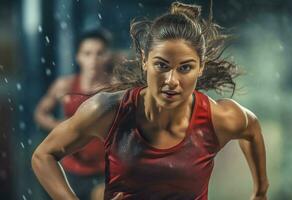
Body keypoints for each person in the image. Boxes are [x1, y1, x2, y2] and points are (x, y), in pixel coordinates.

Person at [32, 2, 269, 200]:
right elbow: (43, 156)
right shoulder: (109, 110)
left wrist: (260, 191)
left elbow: (252, 129)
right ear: (145, 61)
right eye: (161, 66)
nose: (172, 80)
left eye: (185, 68)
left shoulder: (219, 118)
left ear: (201, 68)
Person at [34, 28, 113, 200]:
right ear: (78, 56)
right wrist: (61, 127)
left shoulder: (116, 88)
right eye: (87, 53)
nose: (93, 60)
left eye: (99, 53)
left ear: (107, 56)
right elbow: (40, 114)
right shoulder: (65, 85)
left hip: (104, 171)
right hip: (70, 168)